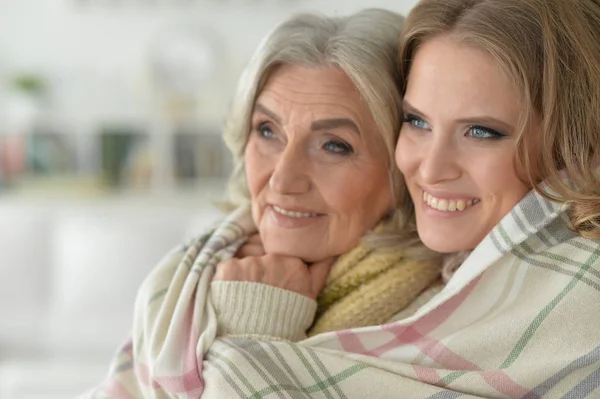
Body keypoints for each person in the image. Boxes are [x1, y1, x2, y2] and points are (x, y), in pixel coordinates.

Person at [181, 0, 598, 397]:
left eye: (481, 132)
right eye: (417, 121)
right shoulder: (199, 274)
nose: (430, 169)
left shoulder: (578, 299)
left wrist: (253, 327)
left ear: (571, 143)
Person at [85, 8, 442, 398]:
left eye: (334, 145)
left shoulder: (443, 321)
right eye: (267, 131)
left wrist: (253, 319)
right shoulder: (187, 283)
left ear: (402, 169)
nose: (282, 179)